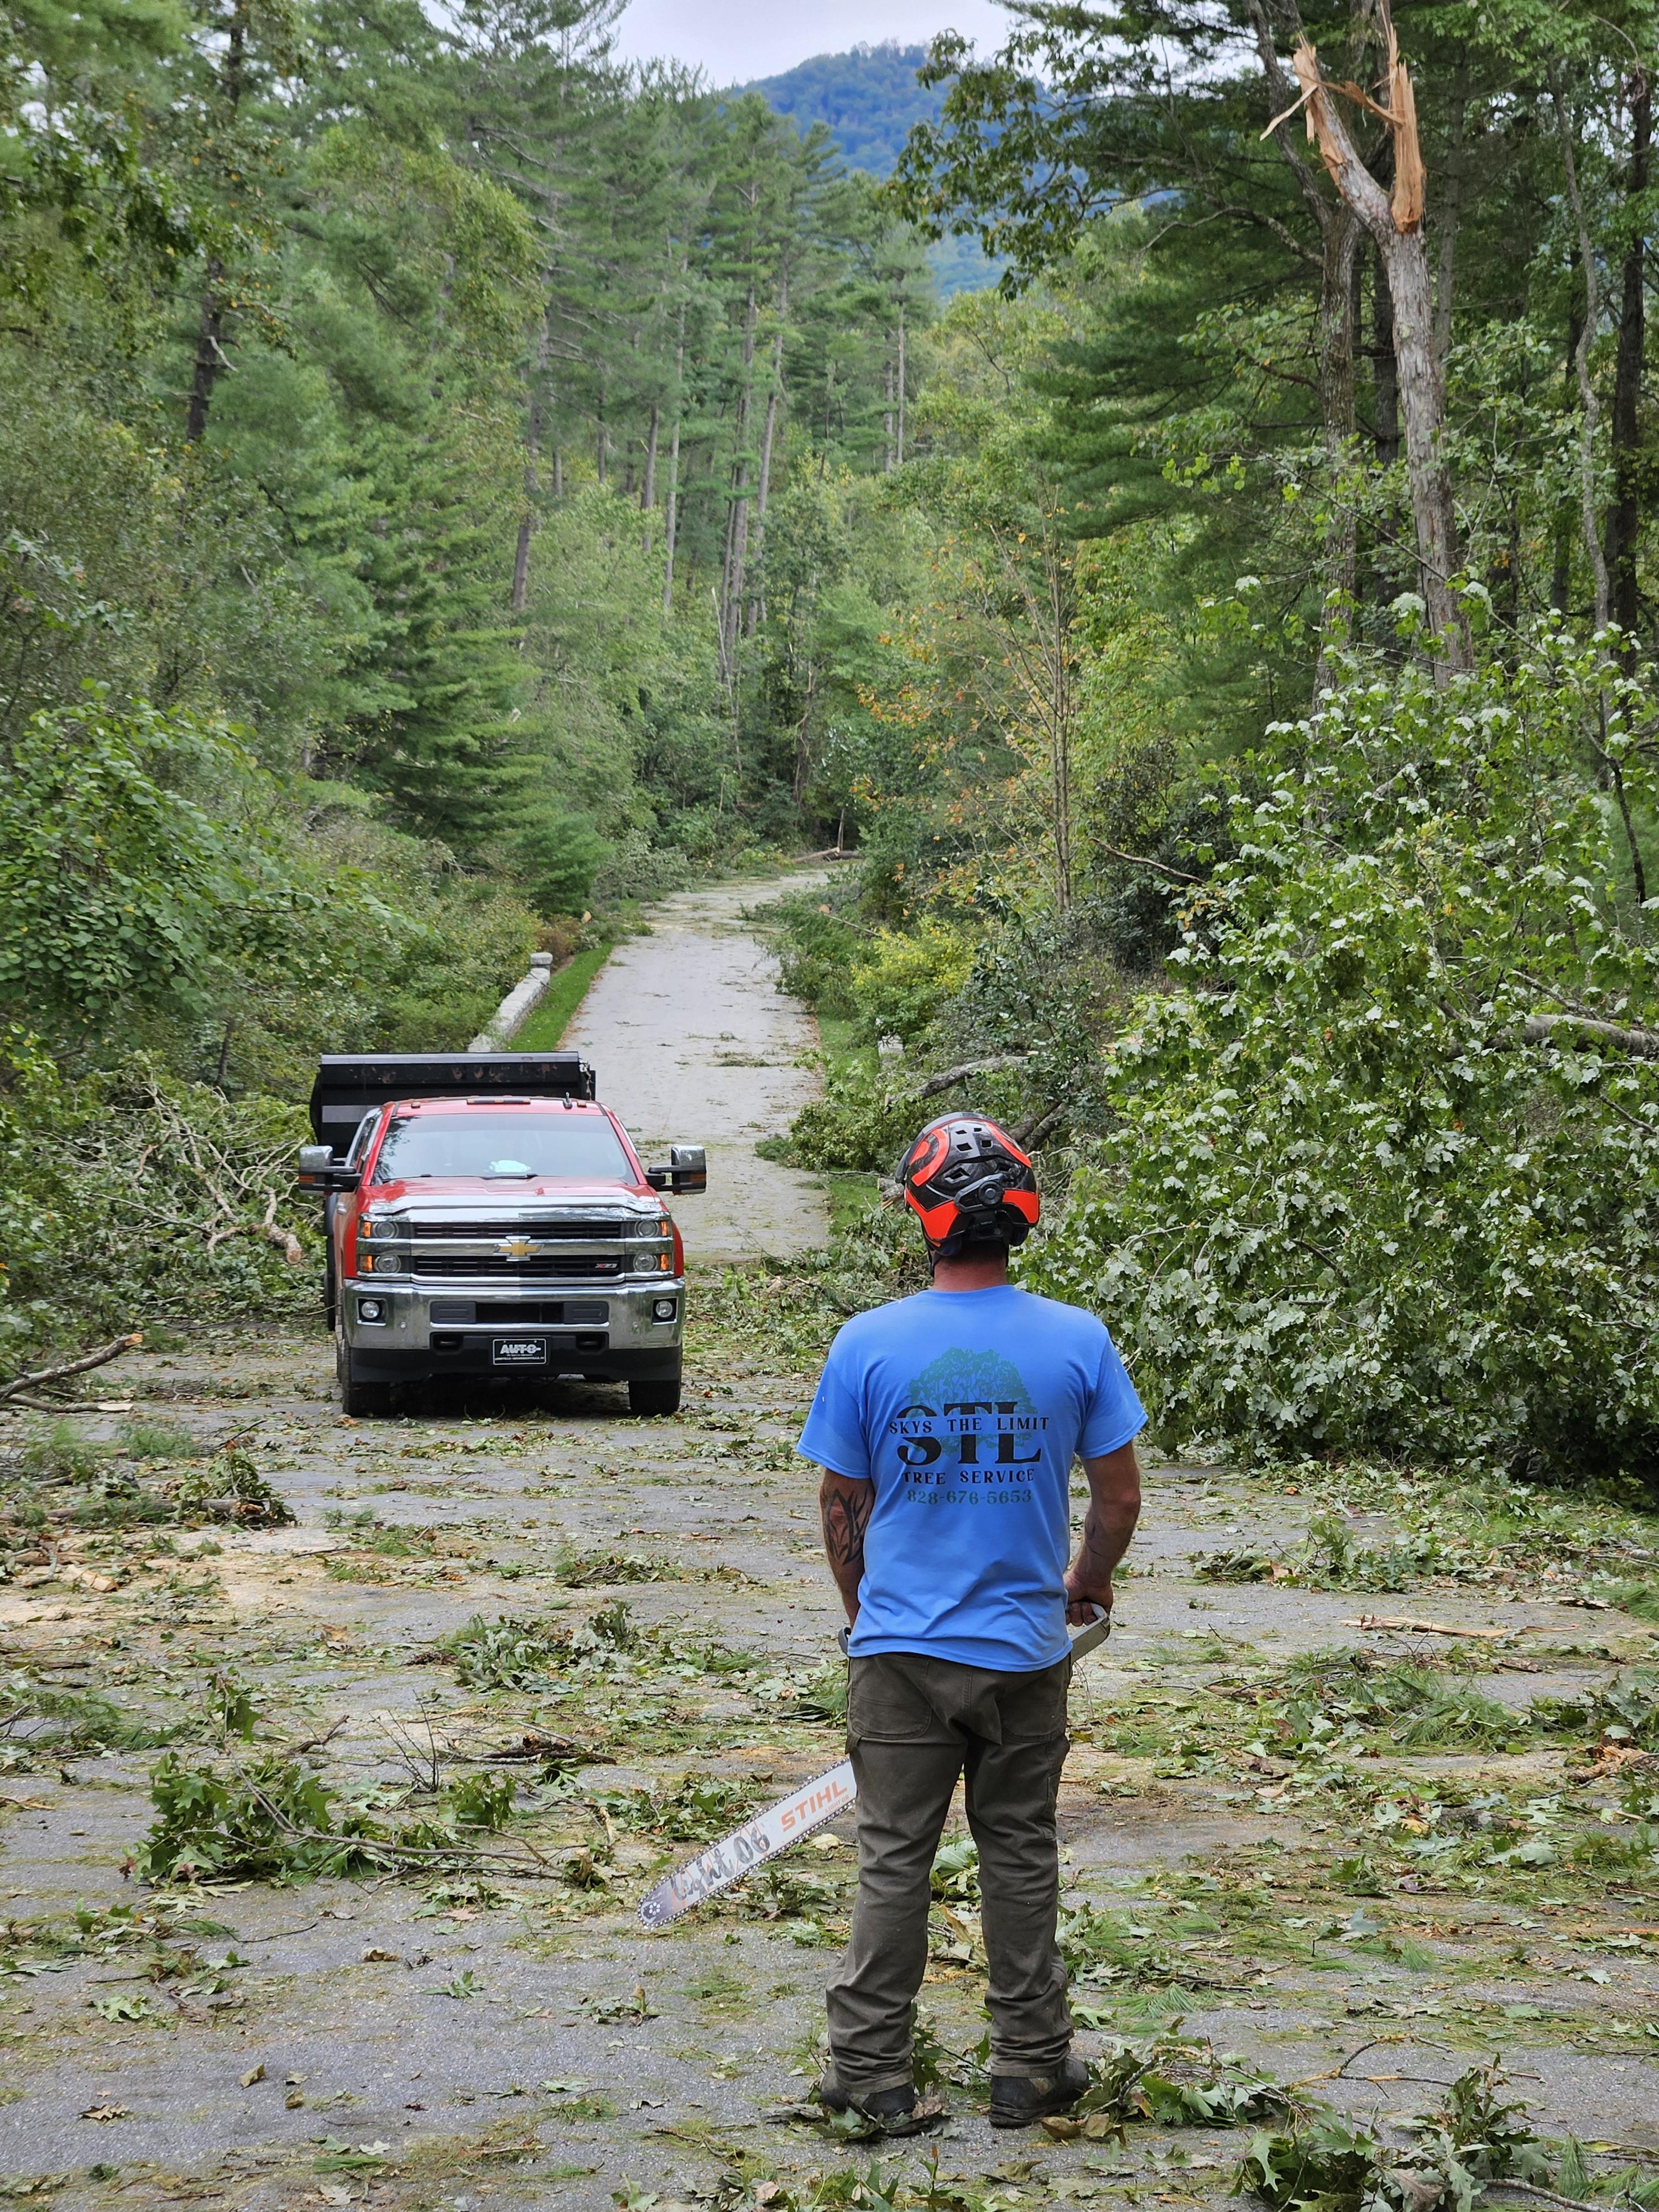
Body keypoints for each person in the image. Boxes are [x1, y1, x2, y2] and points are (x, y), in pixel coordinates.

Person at [797, 1112, 1144, 2133]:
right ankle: (1030, 2068)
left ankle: (869, 2074)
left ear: (924, 1216)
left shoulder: (867, 1343)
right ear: (1022, 1215)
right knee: (1021, 1852)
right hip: (1026, 1654)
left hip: (899, 1653)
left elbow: (839, 1507)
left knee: (894, 1856)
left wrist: (868, 1616)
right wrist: (1085, 1579)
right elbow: (1119, 1499)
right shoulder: (1078, 1340)